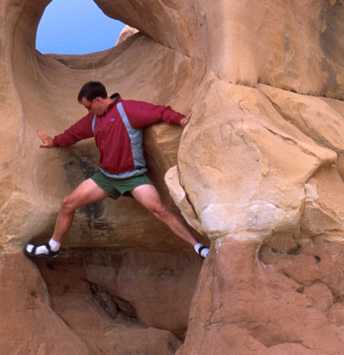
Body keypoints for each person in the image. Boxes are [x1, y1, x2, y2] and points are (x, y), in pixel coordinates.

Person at [24, 81, 210, 260]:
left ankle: (198, 247)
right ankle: (52, 248)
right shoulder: (94, 119)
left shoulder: (127, 110)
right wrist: (54, 141)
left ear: (98, 100)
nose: (88, 112)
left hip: (134, 177)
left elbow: (159, 112)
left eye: (89, 107)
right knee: (67, 203)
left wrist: (180, 119)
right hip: (106, 177)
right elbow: (75, 133)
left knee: (160, 210)